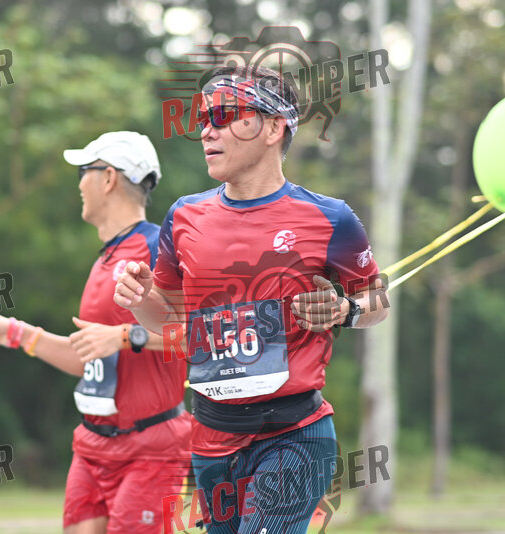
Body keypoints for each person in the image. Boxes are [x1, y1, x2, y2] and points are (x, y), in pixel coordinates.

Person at [114, 67, 390, 533]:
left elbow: (377, 300)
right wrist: (140, 299)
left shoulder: (330, 218)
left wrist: (346, 310)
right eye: (203, 119)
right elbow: (166, 317)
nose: (207, 130)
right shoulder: (184, 216)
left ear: (274, 127)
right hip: (211, 438)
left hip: (294, 435)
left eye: (223, 116)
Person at [0, 131, 191, 534]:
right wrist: (14, 332)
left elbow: (199, 337)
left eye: (83, 172)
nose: (79, 185)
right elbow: (87, 357)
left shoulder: (158, 248)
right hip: (91, 445)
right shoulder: (104, 260)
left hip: (151, 449)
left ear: (108, 178)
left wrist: (125, 336)